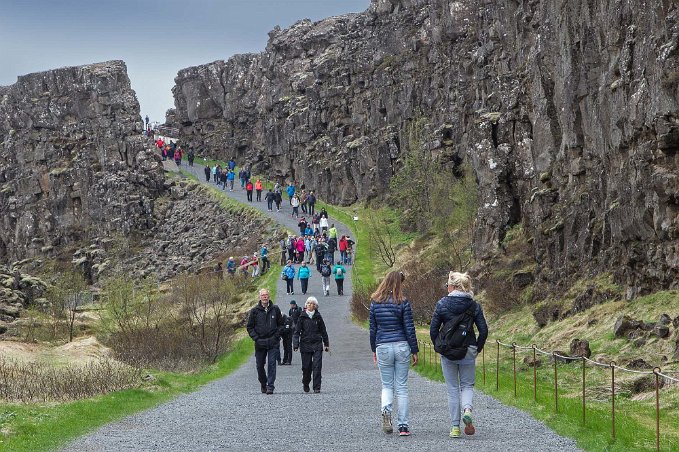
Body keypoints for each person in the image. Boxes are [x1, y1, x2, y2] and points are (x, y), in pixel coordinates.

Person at [430, 271, 488, 439]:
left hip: (448, 351)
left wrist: (438, 345)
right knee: (467, 385)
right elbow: (483, 330)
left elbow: (433, 329)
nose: (446, 287)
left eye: (447, 284)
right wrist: (477, 347)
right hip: (468, 349)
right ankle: (467, 410)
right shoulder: (474, 306)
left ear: (453, 286)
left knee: (452, 389)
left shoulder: (442, 304)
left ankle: (455, 427)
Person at [369, 271, 419, 436]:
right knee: (402, 387)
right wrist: (414, 349)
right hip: (401, 345)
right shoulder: (403, 302)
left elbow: (373, 329)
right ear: (399, 284)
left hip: (383, 345)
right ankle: (403, 426)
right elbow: (409, 328)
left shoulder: (375, 302)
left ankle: (386, 411)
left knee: (387, 385)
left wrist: (373, 349)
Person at [247, 289, 284, 394]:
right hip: (260, 343)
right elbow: (250, 327)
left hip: (273, 342)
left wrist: (276, 336)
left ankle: (270, 386)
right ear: (260, 297)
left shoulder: (275, 309)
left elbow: (281, 325)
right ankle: (263, 383)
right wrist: (256, 339)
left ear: (269, 296)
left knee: (272, 364)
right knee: (259, 366)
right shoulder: (254, 311)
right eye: (263, 295)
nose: (265, 297)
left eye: (266, 295)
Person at [293, 296, 330, 393]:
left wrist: (326, 344)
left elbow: (323, 331)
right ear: (306, 305)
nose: (310, 305)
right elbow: (297, 332)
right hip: (305, 344)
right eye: (309, 303)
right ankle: (306, 382)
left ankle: (317, 387)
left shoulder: (318, 317)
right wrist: (295, 344)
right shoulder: (302, 317)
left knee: (317, 366)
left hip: (317, 344)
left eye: (313, 303)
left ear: (315, 306)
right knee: (306, 367)